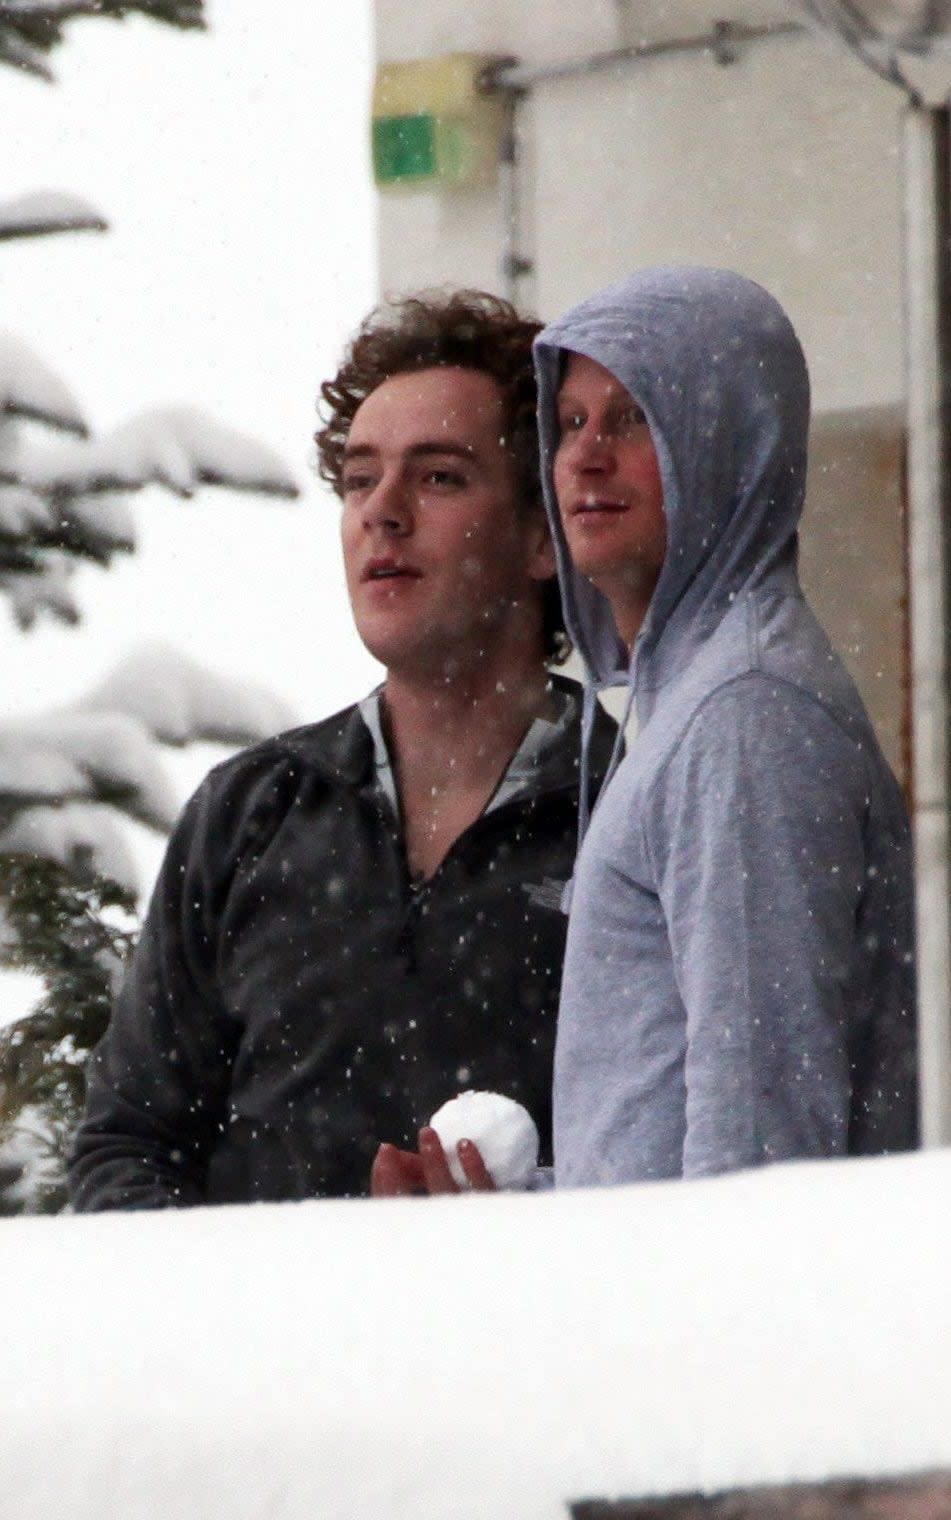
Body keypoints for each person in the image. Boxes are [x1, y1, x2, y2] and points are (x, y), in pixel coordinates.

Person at [68, 290, 615, 1210]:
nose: (382, 513)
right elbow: (128, 1148)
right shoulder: (251, 812)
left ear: (539, 536)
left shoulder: (630, 808)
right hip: (271, 1352)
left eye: (438, 477)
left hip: (536, 1346)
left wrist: (522, 1235)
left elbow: (692, 1160)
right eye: (361, 479)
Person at [531, 264, 918, 1186]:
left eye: (631, 418)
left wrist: (712, 1323)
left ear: (725, 447)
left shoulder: (745, 717)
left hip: (715, 1319)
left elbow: (758, 1144)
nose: (586, 456)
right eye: (572, 421)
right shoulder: (691, 705)